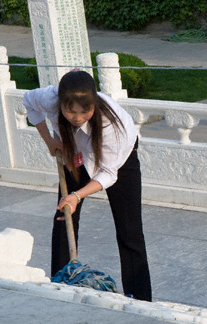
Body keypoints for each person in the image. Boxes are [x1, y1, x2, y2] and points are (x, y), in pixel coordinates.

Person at [23, 70, 152, 301]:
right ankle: (61, 282)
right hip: (76, 151)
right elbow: (28, 101)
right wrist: (49, 141)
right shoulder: (50, 98)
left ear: (94, 104)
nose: (78, 118)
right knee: (64, 215)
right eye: (70, 111)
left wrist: (77, 194)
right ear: (60, 103)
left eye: (85, 111)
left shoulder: (111, 125)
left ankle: (140, 298)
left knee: (129, 230)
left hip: (119, 162)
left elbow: (108, 174)